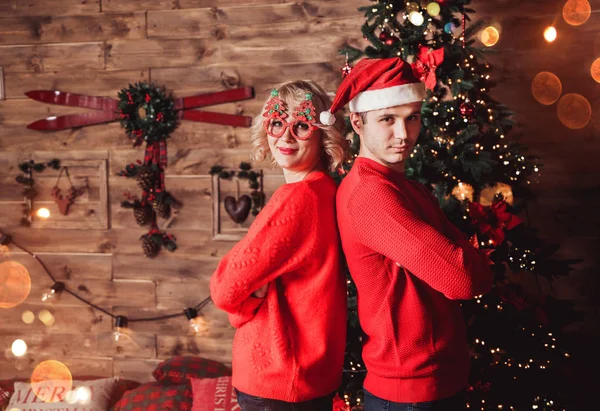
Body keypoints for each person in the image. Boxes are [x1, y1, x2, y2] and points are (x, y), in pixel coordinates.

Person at [320, 58, 494, 410]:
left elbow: (467, 269)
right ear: (357, 121)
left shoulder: (407, 187)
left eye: (411, 117)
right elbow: (465, 280)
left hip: (437, 381)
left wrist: (466, 260)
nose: (404, 134)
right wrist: (469, 259)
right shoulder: (370, 194)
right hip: (410, 391)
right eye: (388, 119)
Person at [210, 80, 349, 411]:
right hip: (307, 379)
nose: (285, 137)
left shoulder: (297, 198)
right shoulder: (324, 190)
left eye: (301, 126)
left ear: (321, 134)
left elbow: (225, 289)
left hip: (278, 382)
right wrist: (249, 299)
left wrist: (246, 302)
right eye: (276, 123)